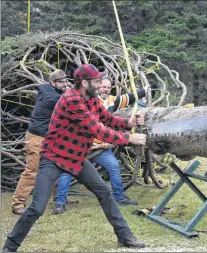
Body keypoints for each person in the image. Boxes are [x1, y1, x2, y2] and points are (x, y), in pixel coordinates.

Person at [2, 64, 147, 252]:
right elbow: (96, 129)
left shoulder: (92, 99)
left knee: (104, 192)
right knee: (37, 207)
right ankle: (9, 247)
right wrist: (129, 138)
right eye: (97, 81)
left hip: (76, 158)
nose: (101, 83)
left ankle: (125, 237)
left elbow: (107, 119)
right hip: (53, 157)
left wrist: (128, 122)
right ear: (85, 83)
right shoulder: (71, 99)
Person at [53, 76, 148, 214]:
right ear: (96, 86)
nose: (105, 89)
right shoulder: (84, 101)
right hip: (81, 147)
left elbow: (126, 99)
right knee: (68, 171)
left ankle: (119, 197)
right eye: (103, 86)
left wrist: (143, 91)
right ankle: (60, 202)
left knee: (114, 166)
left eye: (108, 87)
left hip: (101, 148)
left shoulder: (111, 101)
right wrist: (129, 138)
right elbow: (96, 128)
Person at [10, 70, 70, 215]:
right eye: (61, 82)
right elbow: (67, 101)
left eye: (66, 81)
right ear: (53, 83)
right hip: (37, 138)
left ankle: (59, 198)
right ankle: (17, 204)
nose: (65, 84)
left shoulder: (50, 90)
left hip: (49, 138)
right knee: (32, 171)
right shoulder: (51, 97)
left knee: (56, 167)